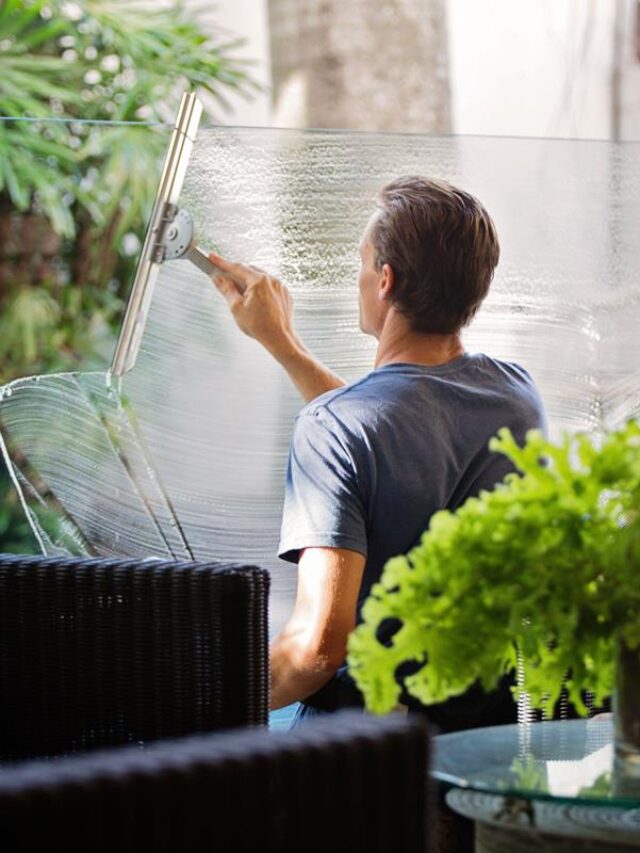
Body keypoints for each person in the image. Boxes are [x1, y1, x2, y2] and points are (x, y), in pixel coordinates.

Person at [209, 175, 546, 727]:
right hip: (483, 736)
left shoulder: (335, 428)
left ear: (385, 281)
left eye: (362, 263)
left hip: (366, 755)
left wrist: (193, 699)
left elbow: (316, 652)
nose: (359, 277)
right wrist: (283, 344)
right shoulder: (517, 397)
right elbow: (399, 426)